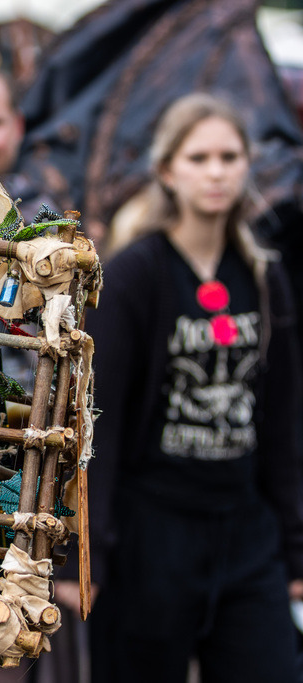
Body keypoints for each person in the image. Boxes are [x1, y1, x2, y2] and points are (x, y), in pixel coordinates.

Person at [85, 93, 303, 682]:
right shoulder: (135, 274)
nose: (216, 171)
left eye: (229, 156)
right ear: (167, 171)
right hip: (151, 531)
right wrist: (90, 555)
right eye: (199, 156)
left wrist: (294, 546)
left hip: (245, 529)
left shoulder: (263, 273)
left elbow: (281, 420)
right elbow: (98, 419)